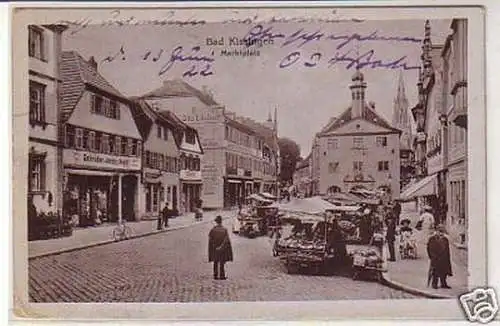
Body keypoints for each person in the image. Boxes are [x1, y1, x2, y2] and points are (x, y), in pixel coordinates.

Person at [427, 224, 452, 289]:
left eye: (442, 232)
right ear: (436, 231)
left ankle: (443, 283)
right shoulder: (432, 239)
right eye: (439, 231)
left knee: (444, 272)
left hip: (444, 258)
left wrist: (447, 258)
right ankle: (434, 284)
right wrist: (432, 257)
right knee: (435, 271)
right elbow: (429, 249)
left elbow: (447, 250)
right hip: (436, 258)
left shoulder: (445, 239)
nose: (441, 233)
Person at [208, 215, 233, 280]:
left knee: (215, 262)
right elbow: (226, 240)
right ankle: (222, 275)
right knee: (222, 262)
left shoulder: (212, 230)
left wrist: (215, 247)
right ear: (221, 221)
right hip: (222, 249)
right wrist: (221, 247)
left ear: (216, 222)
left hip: (215, 249)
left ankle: (215, 275)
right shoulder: (224, 230)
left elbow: (211, 240)